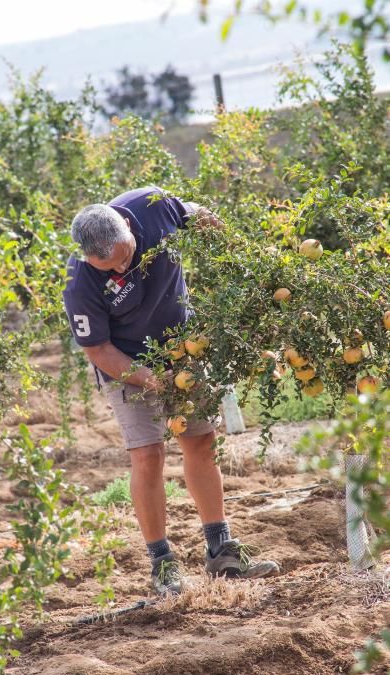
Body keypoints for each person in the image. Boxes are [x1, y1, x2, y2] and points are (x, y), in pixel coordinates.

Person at [63, 186, 279, 595]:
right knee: (148, 454)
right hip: (126, 363)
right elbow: (98, 349)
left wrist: (227, 246)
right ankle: (162, 563)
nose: (118, 269)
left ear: (127, 225)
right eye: (106, 266)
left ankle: (221, 549)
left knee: (200, 440)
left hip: (183, 346)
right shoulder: (80, 284)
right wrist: (152, 380)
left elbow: (194, 212)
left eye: (124, 256)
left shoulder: (152, 205)